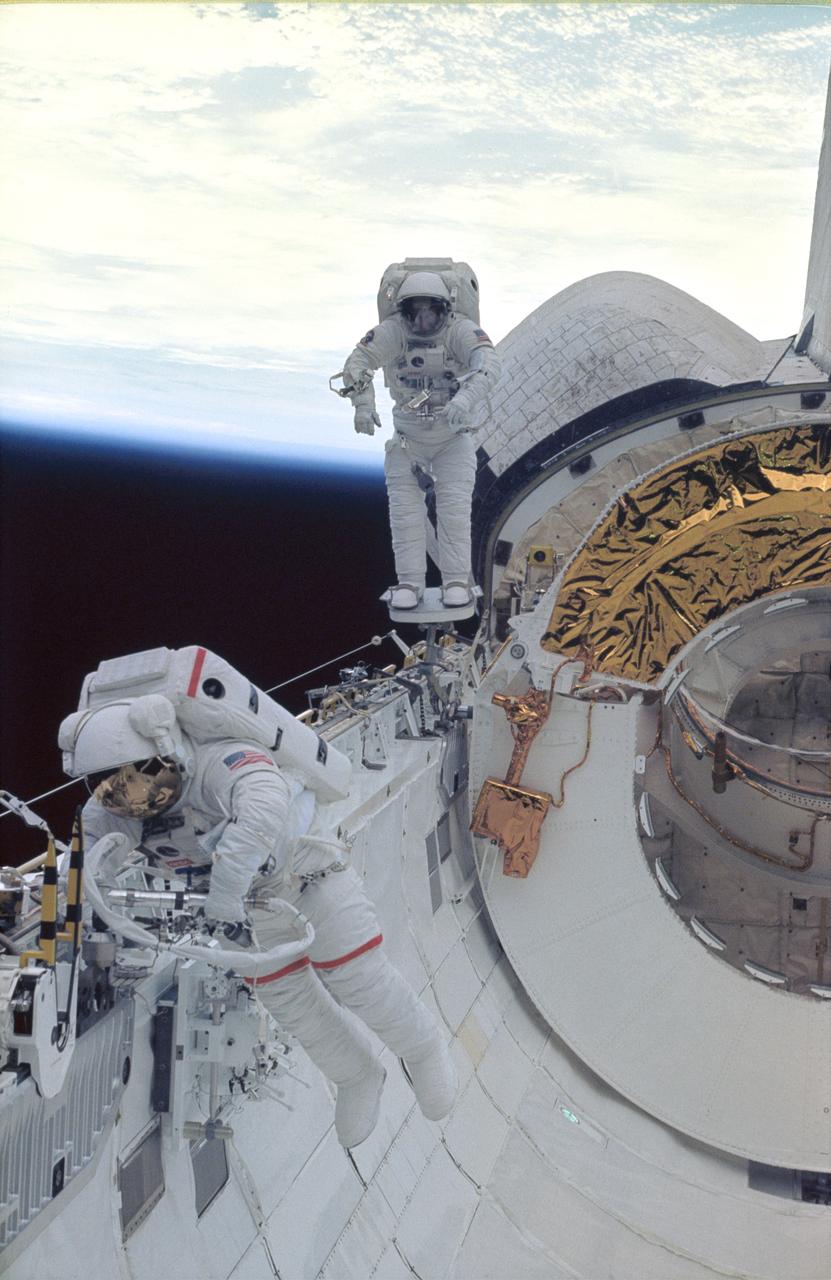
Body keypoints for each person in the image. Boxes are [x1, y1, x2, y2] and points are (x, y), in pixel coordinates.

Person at [59, 696, 457, 1149]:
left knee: (359, 980)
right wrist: (75, 895)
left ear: (166, 751)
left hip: (307, 880)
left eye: (136, 777)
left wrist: (225, 891)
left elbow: (263, 809)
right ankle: (357, 1075)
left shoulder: (219, 762)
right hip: (243, 913)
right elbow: (90, 857)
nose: (128, 795)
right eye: (109, 786)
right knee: (293, 1005)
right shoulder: (114, 807)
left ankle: (423, 1050)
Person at [341, 270, 502, 609]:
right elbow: (359, 361)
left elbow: (488, 363)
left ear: (445, 309)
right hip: (408, 440)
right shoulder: (394, 331)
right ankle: (409, 583)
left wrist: (465, 400)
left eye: (431, 312)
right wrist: (363, 405)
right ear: (405, 311)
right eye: (416, 312)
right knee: (405, 514)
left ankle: (455, 580)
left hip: (452, 437)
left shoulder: (460, 331)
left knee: (454, 511)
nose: (423, 320)